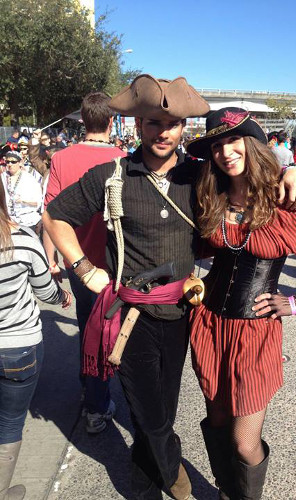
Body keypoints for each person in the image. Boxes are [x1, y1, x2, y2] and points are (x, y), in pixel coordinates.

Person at [42, 74, 296, 500]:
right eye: (152, 122)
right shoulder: (111, 175)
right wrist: (83, 268)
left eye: (171, 124)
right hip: (130, 314)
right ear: (138, 126)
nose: (162, 131)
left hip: (183, 313)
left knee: (163, 411)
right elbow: (54, 216)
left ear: (183, 128)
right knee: (149, 417)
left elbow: (251, 170)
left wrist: (292, 169)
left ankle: (146, 487)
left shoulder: (201, 177)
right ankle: (175, 477)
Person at [186, 107, 296, 500]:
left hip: (255, 331)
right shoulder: (211, 192)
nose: (226, 151)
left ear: (254, 144)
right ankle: (227, 490)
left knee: (245, 441)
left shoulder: (284, 197)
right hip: (209, 324)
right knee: (217, 419)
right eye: (217, 145)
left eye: (234, 140)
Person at [43, 91, 127, 434]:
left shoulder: (61, 159)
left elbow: (50, 213)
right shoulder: (125, 158)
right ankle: (96, 403)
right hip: (111, 263)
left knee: (87, 325)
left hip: (77, 261)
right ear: (111, 121)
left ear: (83, 120)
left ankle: (89, 385)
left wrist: (52, 259)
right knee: (104, 332)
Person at [0, 181, 71, 500]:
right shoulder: (21, 240)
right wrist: (63, 297)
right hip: (18, 345)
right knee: (11, 422)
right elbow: (45, 290)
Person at [1, 151, 42, 234]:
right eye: (7, 162)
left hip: (27, 221)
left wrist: (23, 201)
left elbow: (38, 202)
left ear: (20, 163)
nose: (10, 164)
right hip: (7, 221)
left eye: (13, 162)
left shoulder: (29, 178)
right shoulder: (2, 177)